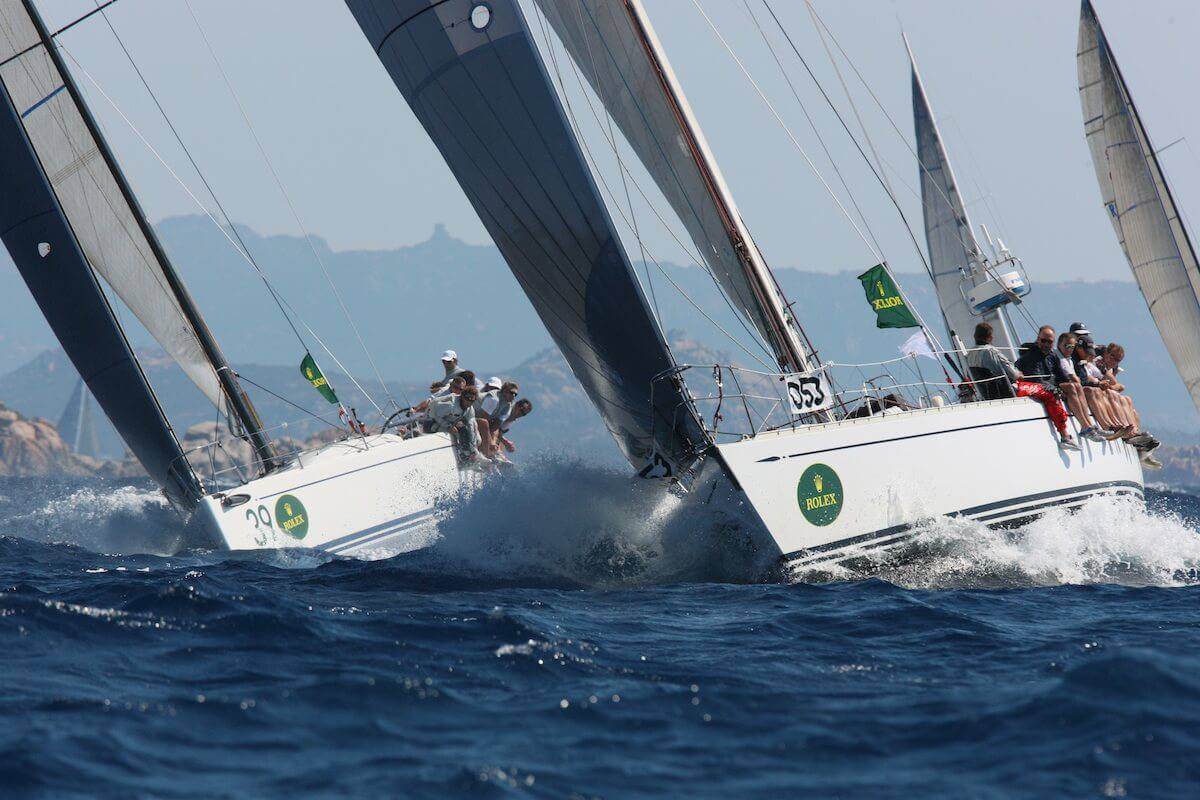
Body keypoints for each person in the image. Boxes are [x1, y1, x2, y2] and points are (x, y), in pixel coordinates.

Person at [1013, 325, 1083, 450]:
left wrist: (1064, 388)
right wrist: (1054, 388)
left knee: (1074, 387)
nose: (1045, 344)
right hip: (1030, 386)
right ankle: (1065, 436)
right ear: (1037, 339)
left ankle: (1086, 424)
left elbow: (1061, 377)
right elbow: (1036, 378)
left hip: (1046, 385)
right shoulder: (1030, 355)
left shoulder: (1052, 356)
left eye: (1049, 342)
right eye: (1043, 340)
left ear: (1053, 343)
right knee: (1051, 395)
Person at [1096, 343, 1162, 467]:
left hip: (1104, 393)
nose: (1114, 362)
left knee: (1131, 406)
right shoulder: (1098, 362)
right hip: (1098, 395)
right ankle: (1130, 434)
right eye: (1112, 357)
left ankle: (1138, 440)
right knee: (1118, 397)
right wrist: (1110, 386)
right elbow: (1117, 385)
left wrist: (1110, 386)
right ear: (1106, 353)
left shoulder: (1107, 367)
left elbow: (1119, 386)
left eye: (1118, 360)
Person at [428, 385, 488, 464]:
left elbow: (471, 426)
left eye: (472, 400)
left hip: (451, 422)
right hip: (433, 423)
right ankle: (465, 455)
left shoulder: (470, 409)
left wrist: (474, 447)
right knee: (459, 431)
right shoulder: (451, 405)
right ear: (462, 396)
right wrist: (448, 426)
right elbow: (436, 415)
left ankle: (471, 455)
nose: (469, 402)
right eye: (467, 399)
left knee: (476, 438)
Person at [966, 322, 1018, 400]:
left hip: (984, 393)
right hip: (1001, 392)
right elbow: (1012, 373)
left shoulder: (969, 355)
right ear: (990, 337)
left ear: (975, 336)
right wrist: (1018, 374)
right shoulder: (991, 351)